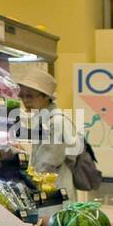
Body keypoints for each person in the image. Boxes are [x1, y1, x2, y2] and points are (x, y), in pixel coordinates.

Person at [12, 63, 82, 198]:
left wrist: (21, 178)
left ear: (45, 97)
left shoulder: (57, 122)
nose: (25, 100)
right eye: (22, 96)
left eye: (30, 96)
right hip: (50, 193)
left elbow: (46, 164)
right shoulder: (44, 120)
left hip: (55, 194)